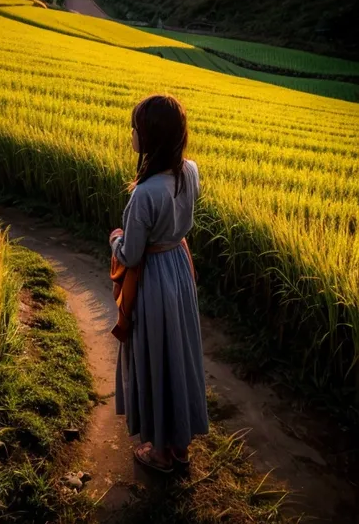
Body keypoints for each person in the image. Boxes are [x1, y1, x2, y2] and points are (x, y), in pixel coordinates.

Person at [109, 94, 209, 473]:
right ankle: (180, 445)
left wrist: (115, 239)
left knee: (155, 357)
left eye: (135, 128)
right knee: (178, 354)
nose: (132, 133)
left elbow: (131, 255)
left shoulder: (145, 194)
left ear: (149, 137)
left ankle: (160, 454)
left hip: (152, 280)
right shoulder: (191, 171)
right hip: (180, 272)